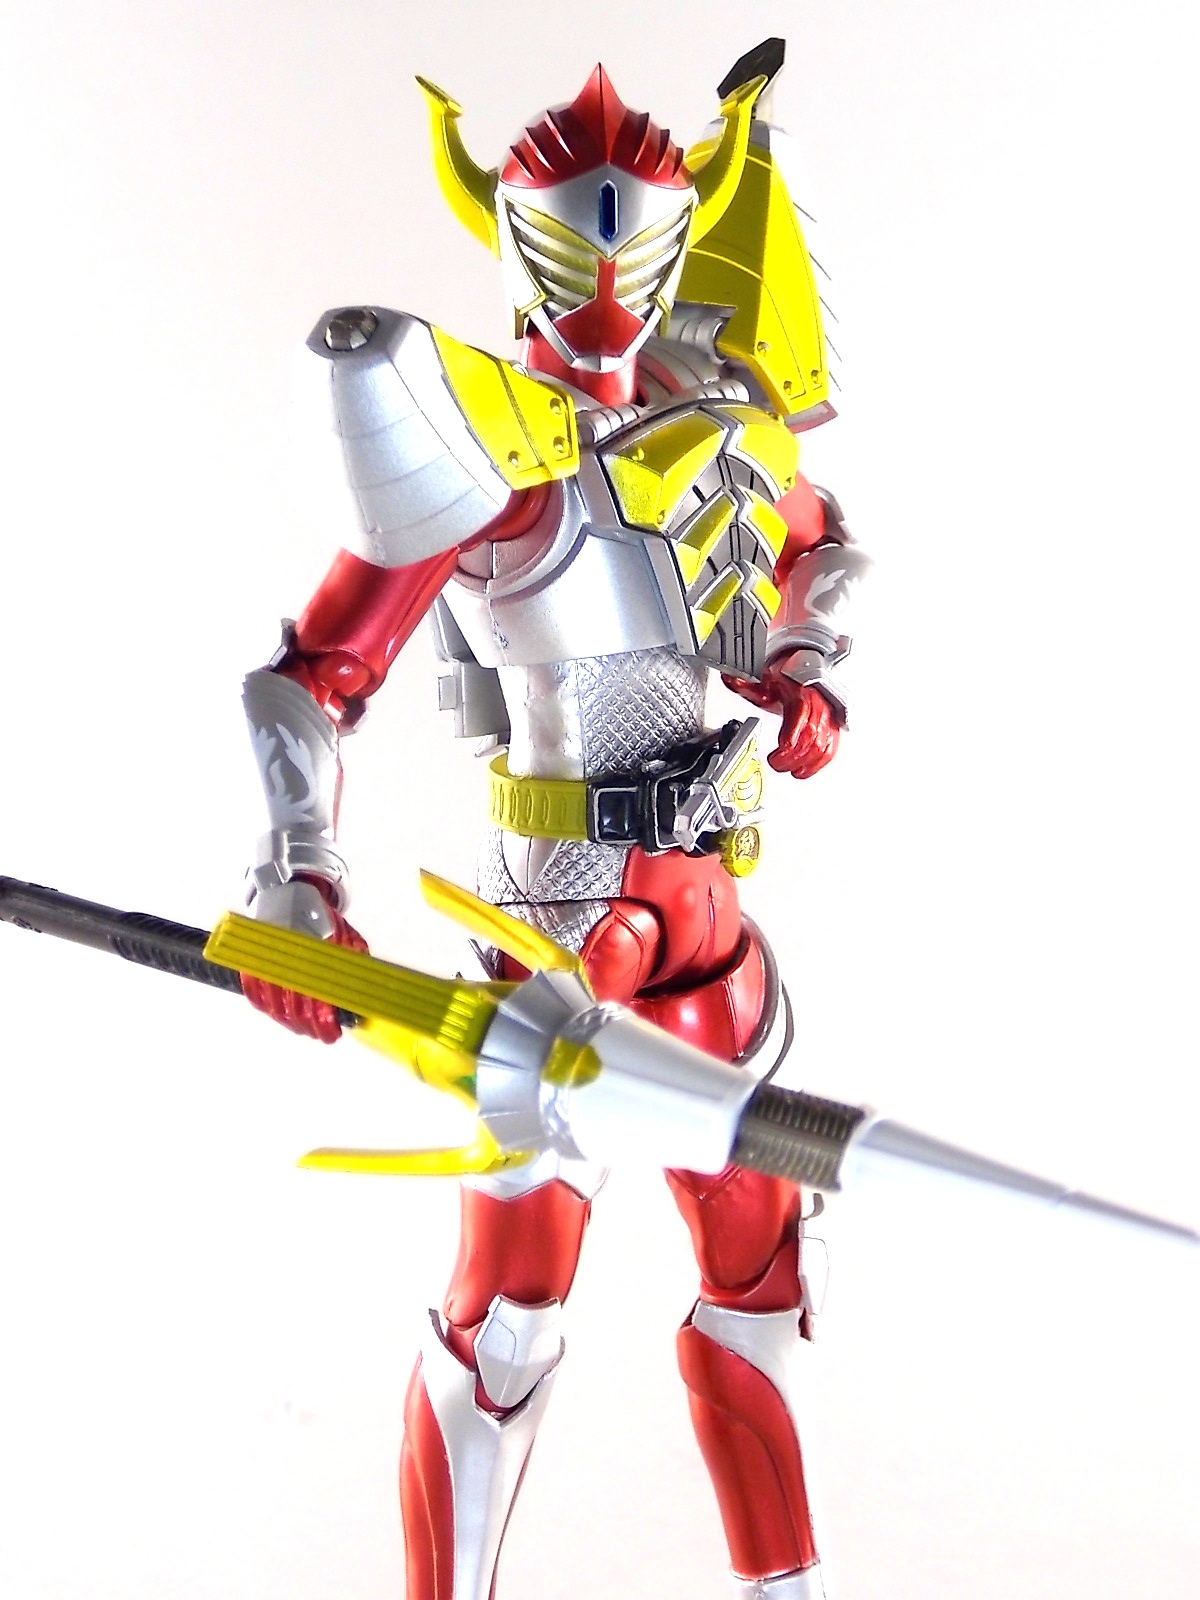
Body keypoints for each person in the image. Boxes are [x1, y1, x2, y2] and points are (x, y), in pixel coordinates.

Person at [239, 40, 868, 1600]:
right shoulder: (484, 444)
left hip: (713, 948)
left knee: (766, 1302)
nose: (606, 278)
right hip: (556, 948)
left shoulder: (725, 412)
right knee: (504, 1330)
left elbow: (815, 539)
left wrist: (800, 664)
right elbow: (312, 681)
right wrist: (297, 877)